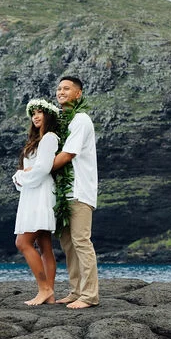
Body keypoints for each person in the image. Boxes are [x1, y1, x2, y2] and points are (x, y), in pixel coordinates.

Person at [51, 75, 99, 309]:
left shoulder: (80, 119)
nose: (61, 92)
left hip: (80, 190)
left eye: (67, 88)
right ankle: (76, 291)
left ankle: (89, 296)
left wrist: (39, 169)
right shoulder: (62, 120)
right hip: (64, 193)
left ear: (78, 94)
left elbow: (68, 154)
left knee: (81, 241)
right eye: (59, 88)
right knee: (68, 244)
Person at [12, 99, 61, 305]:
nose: (36, 116)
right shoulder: (37, 140)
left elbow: (42, 169)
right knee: (44, 245)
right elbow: (33, 168)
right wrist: (23, 175)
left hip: (40, 193)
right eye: (33, 113)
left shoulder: (49, 138)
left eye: (40, 112)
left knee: (22, 242)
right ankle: (49, 294)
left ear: (48, 115)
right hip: (32, 192)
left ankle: (44, 288)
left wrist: (20, 176)